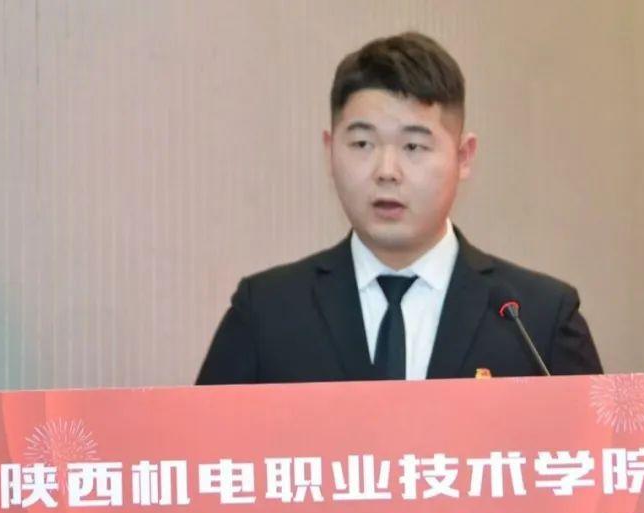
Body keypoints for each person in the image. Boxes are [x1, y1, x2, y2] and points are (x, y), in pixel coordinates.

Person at [196, 32, 601, 385]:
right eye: (362, 144)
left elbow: (600, 449)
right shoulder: (266, 313)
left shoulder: (537, 319)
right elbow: (202, 446)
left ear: (463, 157)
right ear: (330, 151)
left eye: (413, 146)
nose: (386, 171)